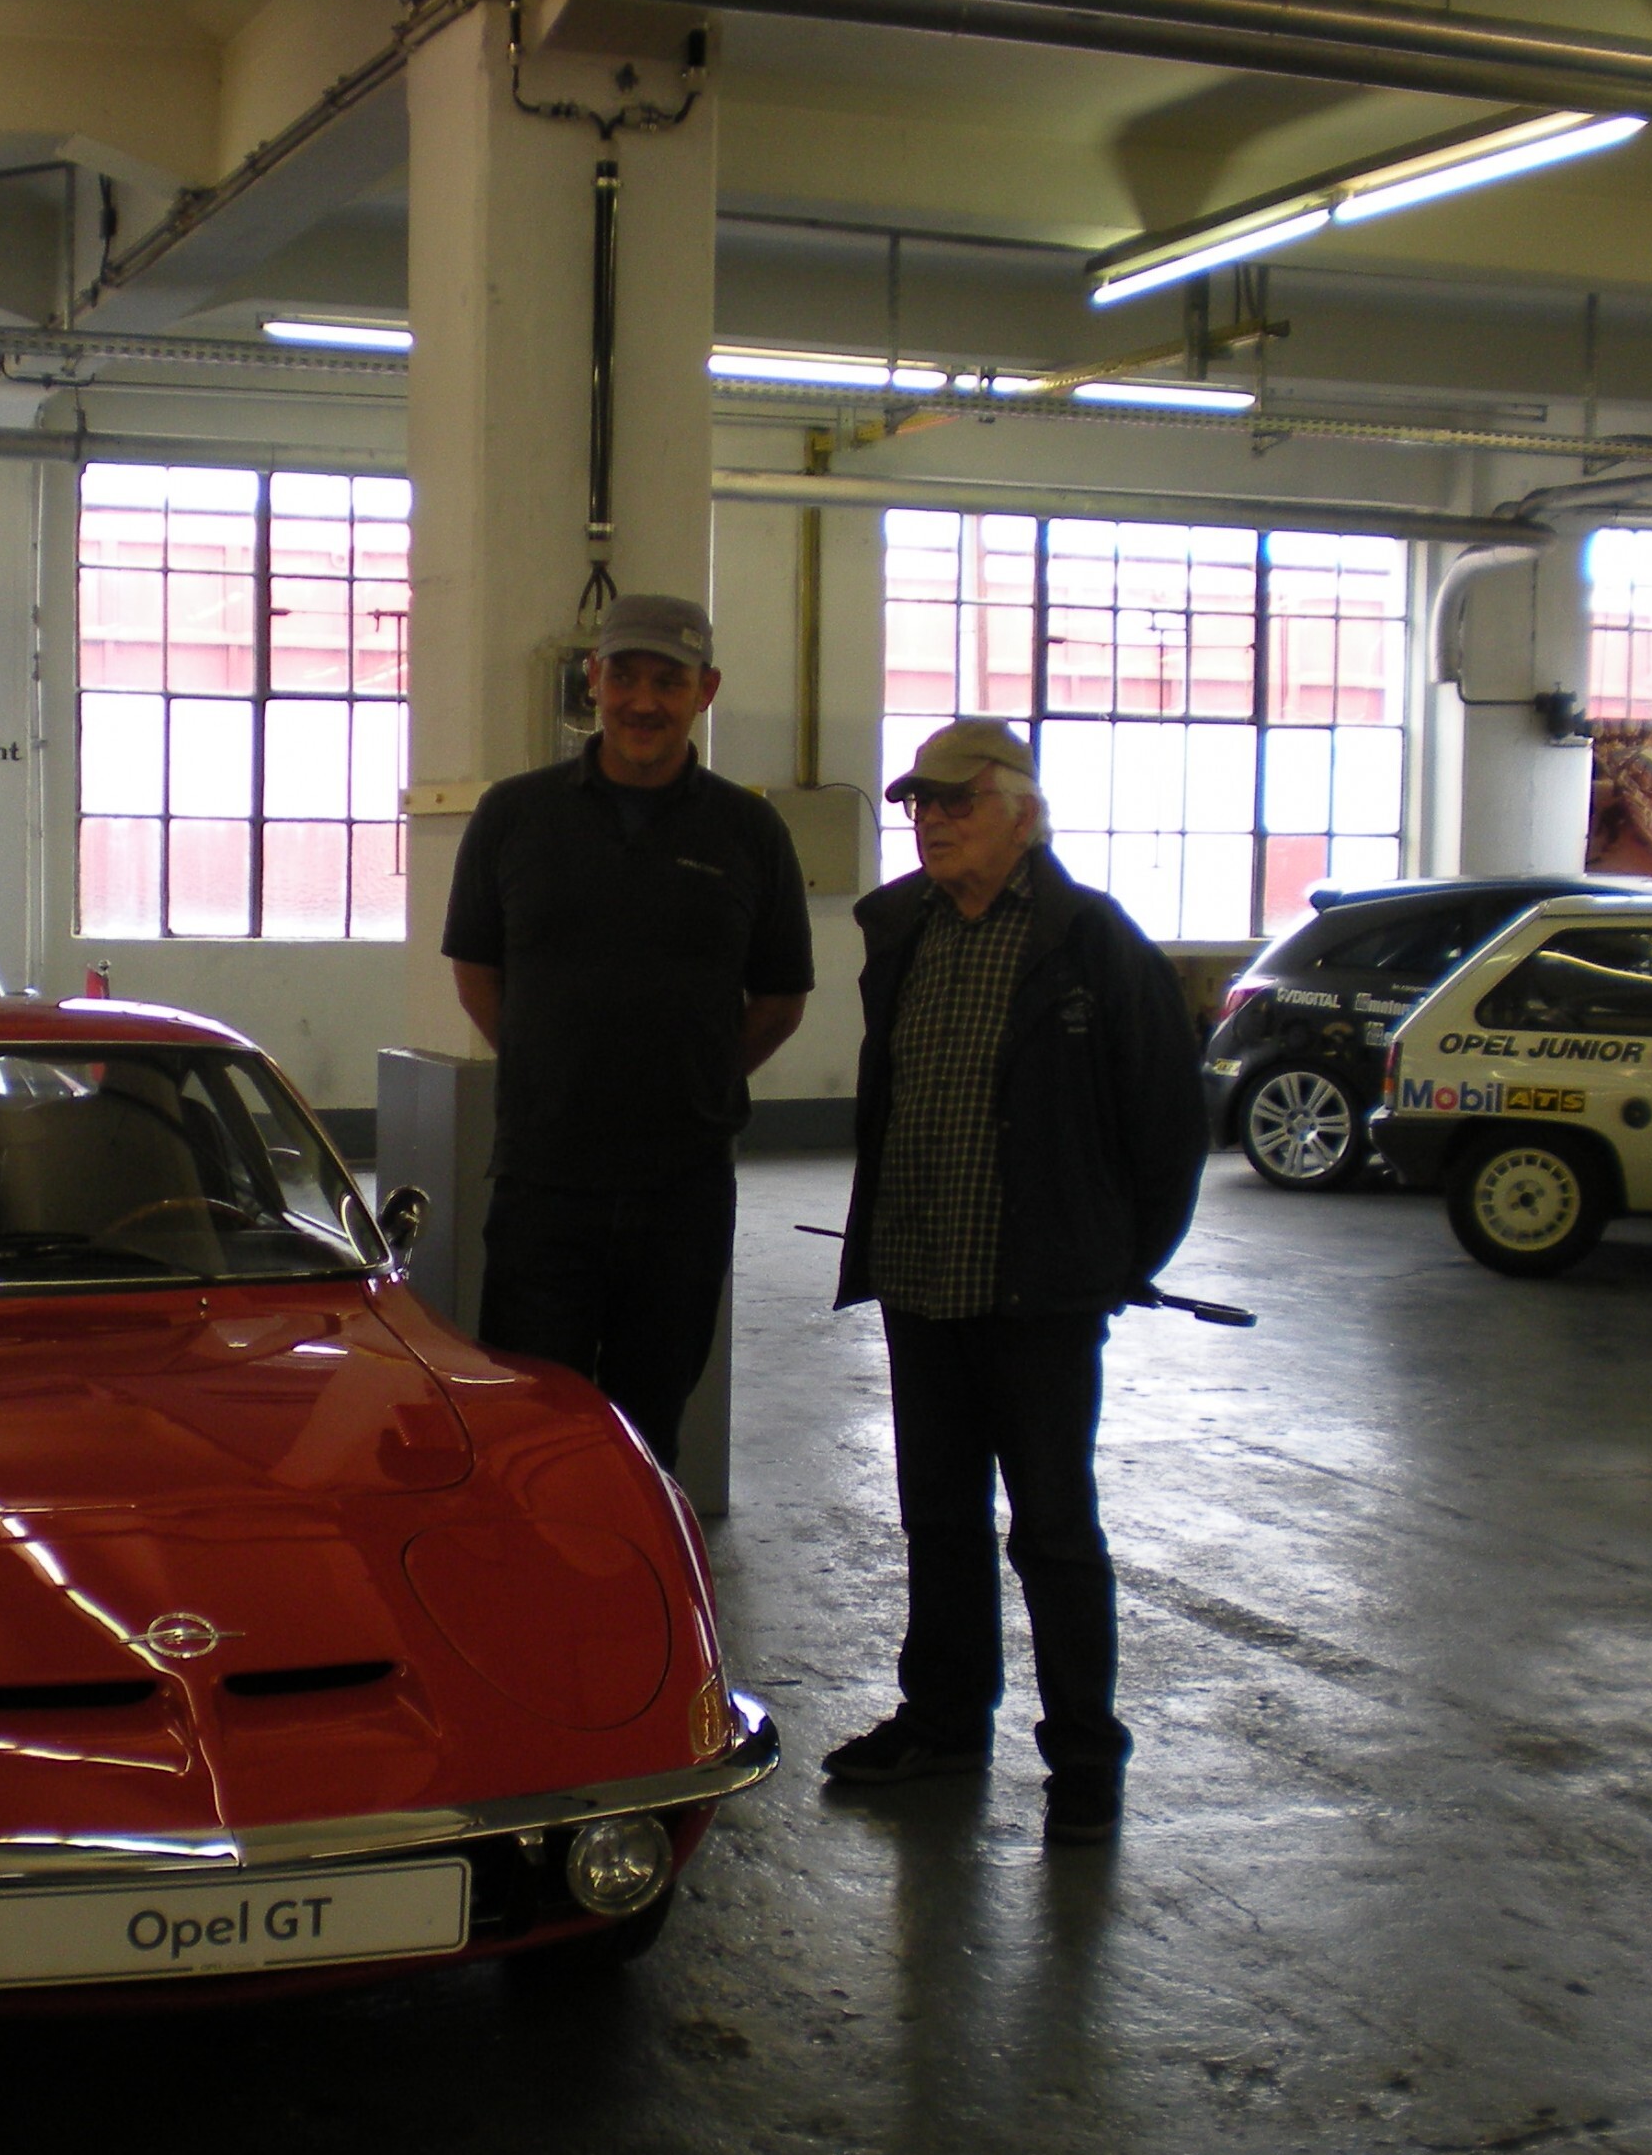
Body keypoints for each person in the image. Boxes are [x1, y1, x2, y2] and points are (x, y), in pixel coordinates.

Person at [818, 718, 1204, 1845]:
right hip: (920, 1278)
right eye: (919, 805)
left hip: (1042, 1294)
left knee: (1053, 1530)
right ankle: (945, 1721)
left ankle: (1084, 1753)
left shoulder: (1094, 943)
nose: (931, 822)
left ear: (1024, 813)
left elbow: (1168, 1127)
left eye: (956, 802)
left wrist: (1114, 1264)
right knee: (938, 1518)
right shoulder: (903, 929)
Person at [441, 593, 813, 1471]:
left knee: (651, 1425)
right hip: (543, 1185)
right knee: (534, 1421)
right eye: (626, 677)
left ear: (705, 691)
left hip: (681, 1189)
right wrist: (550, 1066)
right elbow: (476, 971)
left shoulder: (749, 831)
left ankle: (637, 1560)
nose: (644, 702)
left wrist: (698, 1079)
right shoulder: (514, 816)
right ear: (594, 680)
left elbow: (781, 996)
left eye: (669, 682)